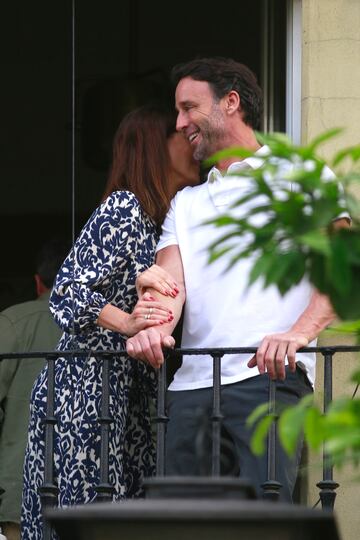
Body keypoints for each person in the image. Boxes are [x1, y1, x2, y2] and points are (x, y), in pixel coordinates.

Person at [126, 57, 350, 501]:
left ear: (231, 102)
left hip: (268, 382)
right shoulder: (185, 204)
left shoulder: (302, 176)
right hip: (189, 391)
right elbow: (170, 291)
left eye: (189, 107)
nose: (180, 122)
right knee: (175, 528)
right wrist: (151, 328)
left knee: (260, 525)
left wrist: (298, 335)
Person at [21, 104, 200, 539]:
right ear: (156, 148)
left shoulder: (160, 224)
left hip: (126, 392)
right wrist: (128, 324)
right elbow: (65, 291)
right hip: (86, 392)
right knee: (92, 518)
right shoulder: (123, 207)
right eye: (179, 134)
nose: (193, 143)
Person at [0, 238, 69, 540]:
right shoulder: (115, 327)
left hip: (19, 488)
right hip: (95, 491)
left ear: (38, 283)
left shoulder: (13, 322)